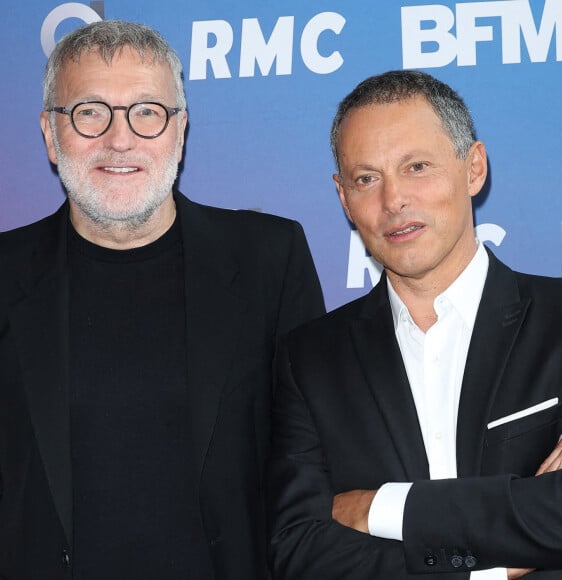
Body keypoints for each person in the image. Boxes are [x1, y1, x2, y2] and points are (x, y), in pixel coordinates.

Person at [0, 20, 325, 580]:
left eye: (147, 111)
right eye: (90, 112)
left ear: (180, 131)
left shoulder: (270, 258)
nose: (119, 138)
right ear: (52, 136)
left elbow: (319, 453)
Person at [267, 70, 562, 580]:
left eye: (417, 167)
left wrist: (382, 509)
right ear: (343, 198)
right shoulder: (310, 359)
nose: (393, 200)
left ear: (473, 168)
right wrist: (498, 564)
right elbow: (300, 549)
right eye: (366, 179)